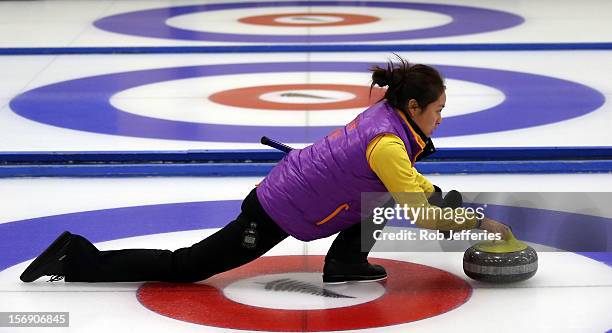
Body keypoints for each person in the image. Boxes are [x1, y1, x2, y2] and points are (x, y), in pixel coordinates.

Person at [20, 57, 511, 284]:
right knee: (187, 267)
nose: (442, 117)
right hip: (276, 209)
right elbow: (420, 211)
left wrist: (451, 205)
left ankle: (345, 262)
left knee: (380, 195)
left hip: (298, 191)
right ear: (412, 105)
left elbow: (411, 187)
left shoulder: (390, 122)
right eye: (438, 108)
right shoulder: (387, 143)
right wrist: (472, 220)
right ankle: (77, 258)